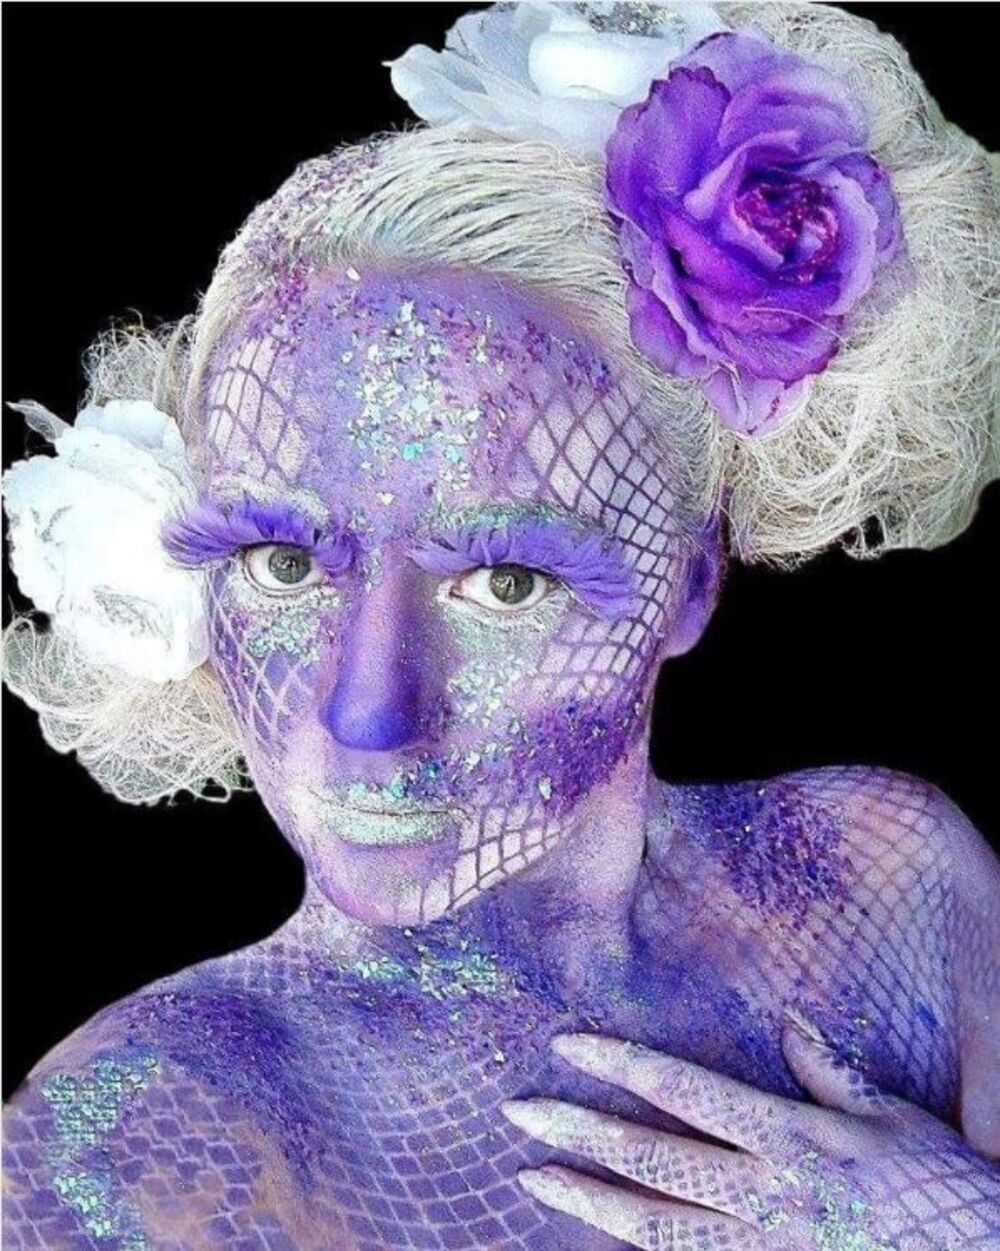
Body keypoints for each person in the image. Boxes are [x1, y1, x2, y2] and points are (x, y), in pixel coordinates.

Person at [3, 4, 998, 1248]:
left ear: (692, 582)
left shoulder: (888, 877)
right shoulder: (121, 1151)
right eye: (283, 564)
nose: (368, 713)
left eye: (506, 584)